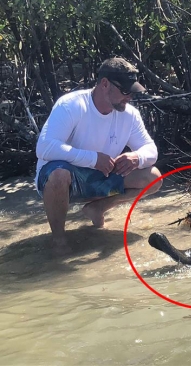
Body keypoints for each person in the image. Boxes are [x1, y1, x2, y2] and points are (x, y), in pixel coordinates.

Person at [35, 57, 163, 254]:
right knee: (59, 174)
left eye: (132, 92)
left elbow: (150, 149)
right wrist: (93, 159)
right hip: (64, 180)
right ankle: (59, 240)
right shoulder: (71, 105)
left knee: (153, 177)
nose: (129, 97)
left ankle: (98, 208)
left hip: (102, 177)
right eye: (125, 91)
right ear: (105, 84)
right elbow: (44, 147)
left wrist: (137, 157)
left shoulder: (130, 115)